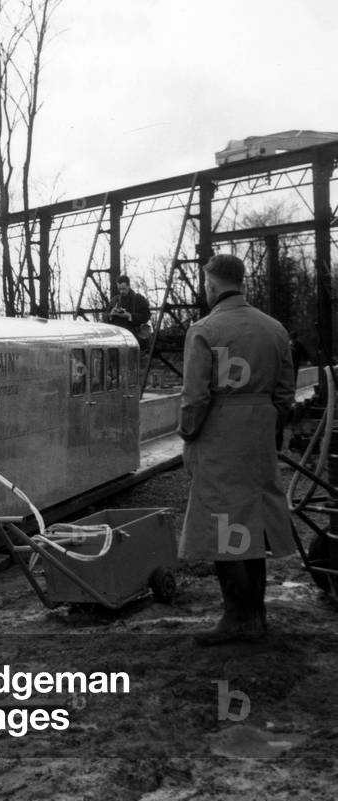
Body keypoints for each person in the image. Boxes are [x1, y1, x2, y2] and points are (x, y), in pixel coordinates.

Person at [178, 254, 295, 645]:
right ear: (241, 282)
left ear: (211, 284)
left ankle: (237, 617)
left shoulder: (205, 330)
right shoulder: (275, 329)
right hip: (258, 437)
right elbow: (285, 393)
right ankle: (256, 613)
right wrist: (270, 431)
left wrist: (188, 436)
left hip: (219, 437)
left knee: (225, 525)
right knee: (253, 522)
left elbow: (195, 398)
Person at [104, 275, 151, 345]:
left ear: (129, 286)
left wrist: (130, 316)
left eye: (124, 289)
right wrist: (111, 314)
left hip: (135, 338)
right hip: (118, 337)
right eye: (119, 289)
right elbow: (105, 318)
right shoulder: (114, 300)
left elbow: (146, 316)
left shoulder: (138, 299)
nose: (121, 291)